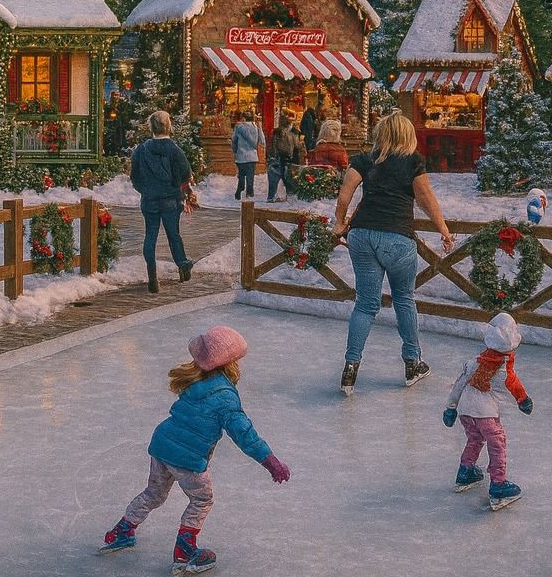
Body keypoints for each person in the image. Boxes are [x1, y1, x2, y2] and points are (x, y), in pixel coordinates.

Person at [99, 325, 290, 573]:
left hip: (161, 446)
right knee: (202, 499)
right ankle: (185, 550)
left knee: (154, 493)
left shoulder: (197, 381)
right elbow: (245, 435)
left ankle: (121, 532)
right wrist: (270, 461)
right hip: (187, 459)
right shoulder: (226, 396)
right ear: (230, 364)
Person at [331, 111, 454, 394]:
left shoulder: (364, 159)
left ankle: (350, 368)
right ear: (406, 135)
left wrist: (339, 223)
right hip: (398, 237)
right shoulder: (413, 162)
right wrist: (444, 231)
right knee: (403, 299)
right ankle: (412, 363)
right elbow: (425, 198)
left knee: (365, 303)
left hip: (361, 235)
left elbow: (345, 194)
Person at [443, 312, 534, 511]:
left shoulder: (476, 361)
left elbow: (459, 384)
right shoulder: (502, 368)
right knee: (497, 444)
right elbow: (513, 385)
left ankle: (465, 471)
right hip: (486, 415)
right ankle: (498, 485)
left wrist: (451, 408)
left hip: (466, 412)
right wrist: (524, 400)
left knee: (474, 439)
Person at [130, 110, 194, 293]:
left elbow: (134, 175)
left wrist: (145, 190)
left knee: (150, 236)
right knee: (174, 235)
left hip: (149, 200)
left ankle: (152, 277)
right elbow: (185, 174)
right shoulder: (173, 149)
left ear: (151, 127)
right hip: (170, 200)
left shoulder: (141, 150)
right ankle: (183, 264)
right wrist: (176, 186)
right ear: (168, 126)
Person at [229, 111, 264, 201]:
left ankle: (239, 190)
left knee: (241, 175)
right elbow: (262, 141)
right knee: (250, 176)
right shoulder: (256, 127)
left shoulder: (239, 128)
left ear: (244, 118)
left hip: (241, 156)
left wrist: (235, 151)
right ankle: (249, 194)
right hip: (252, 156)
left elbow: (234, 140)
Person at [266, 113, 301, 202]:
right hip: (288, 158)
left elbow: (272, 145)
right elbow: (297, 146)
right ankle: (290, 196)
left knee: (273, 180)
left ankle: (271, 196)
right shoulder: (293, 132)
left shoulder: (275, 132)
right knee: (288, 178)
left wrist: (270, 156)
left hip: (276, 158)